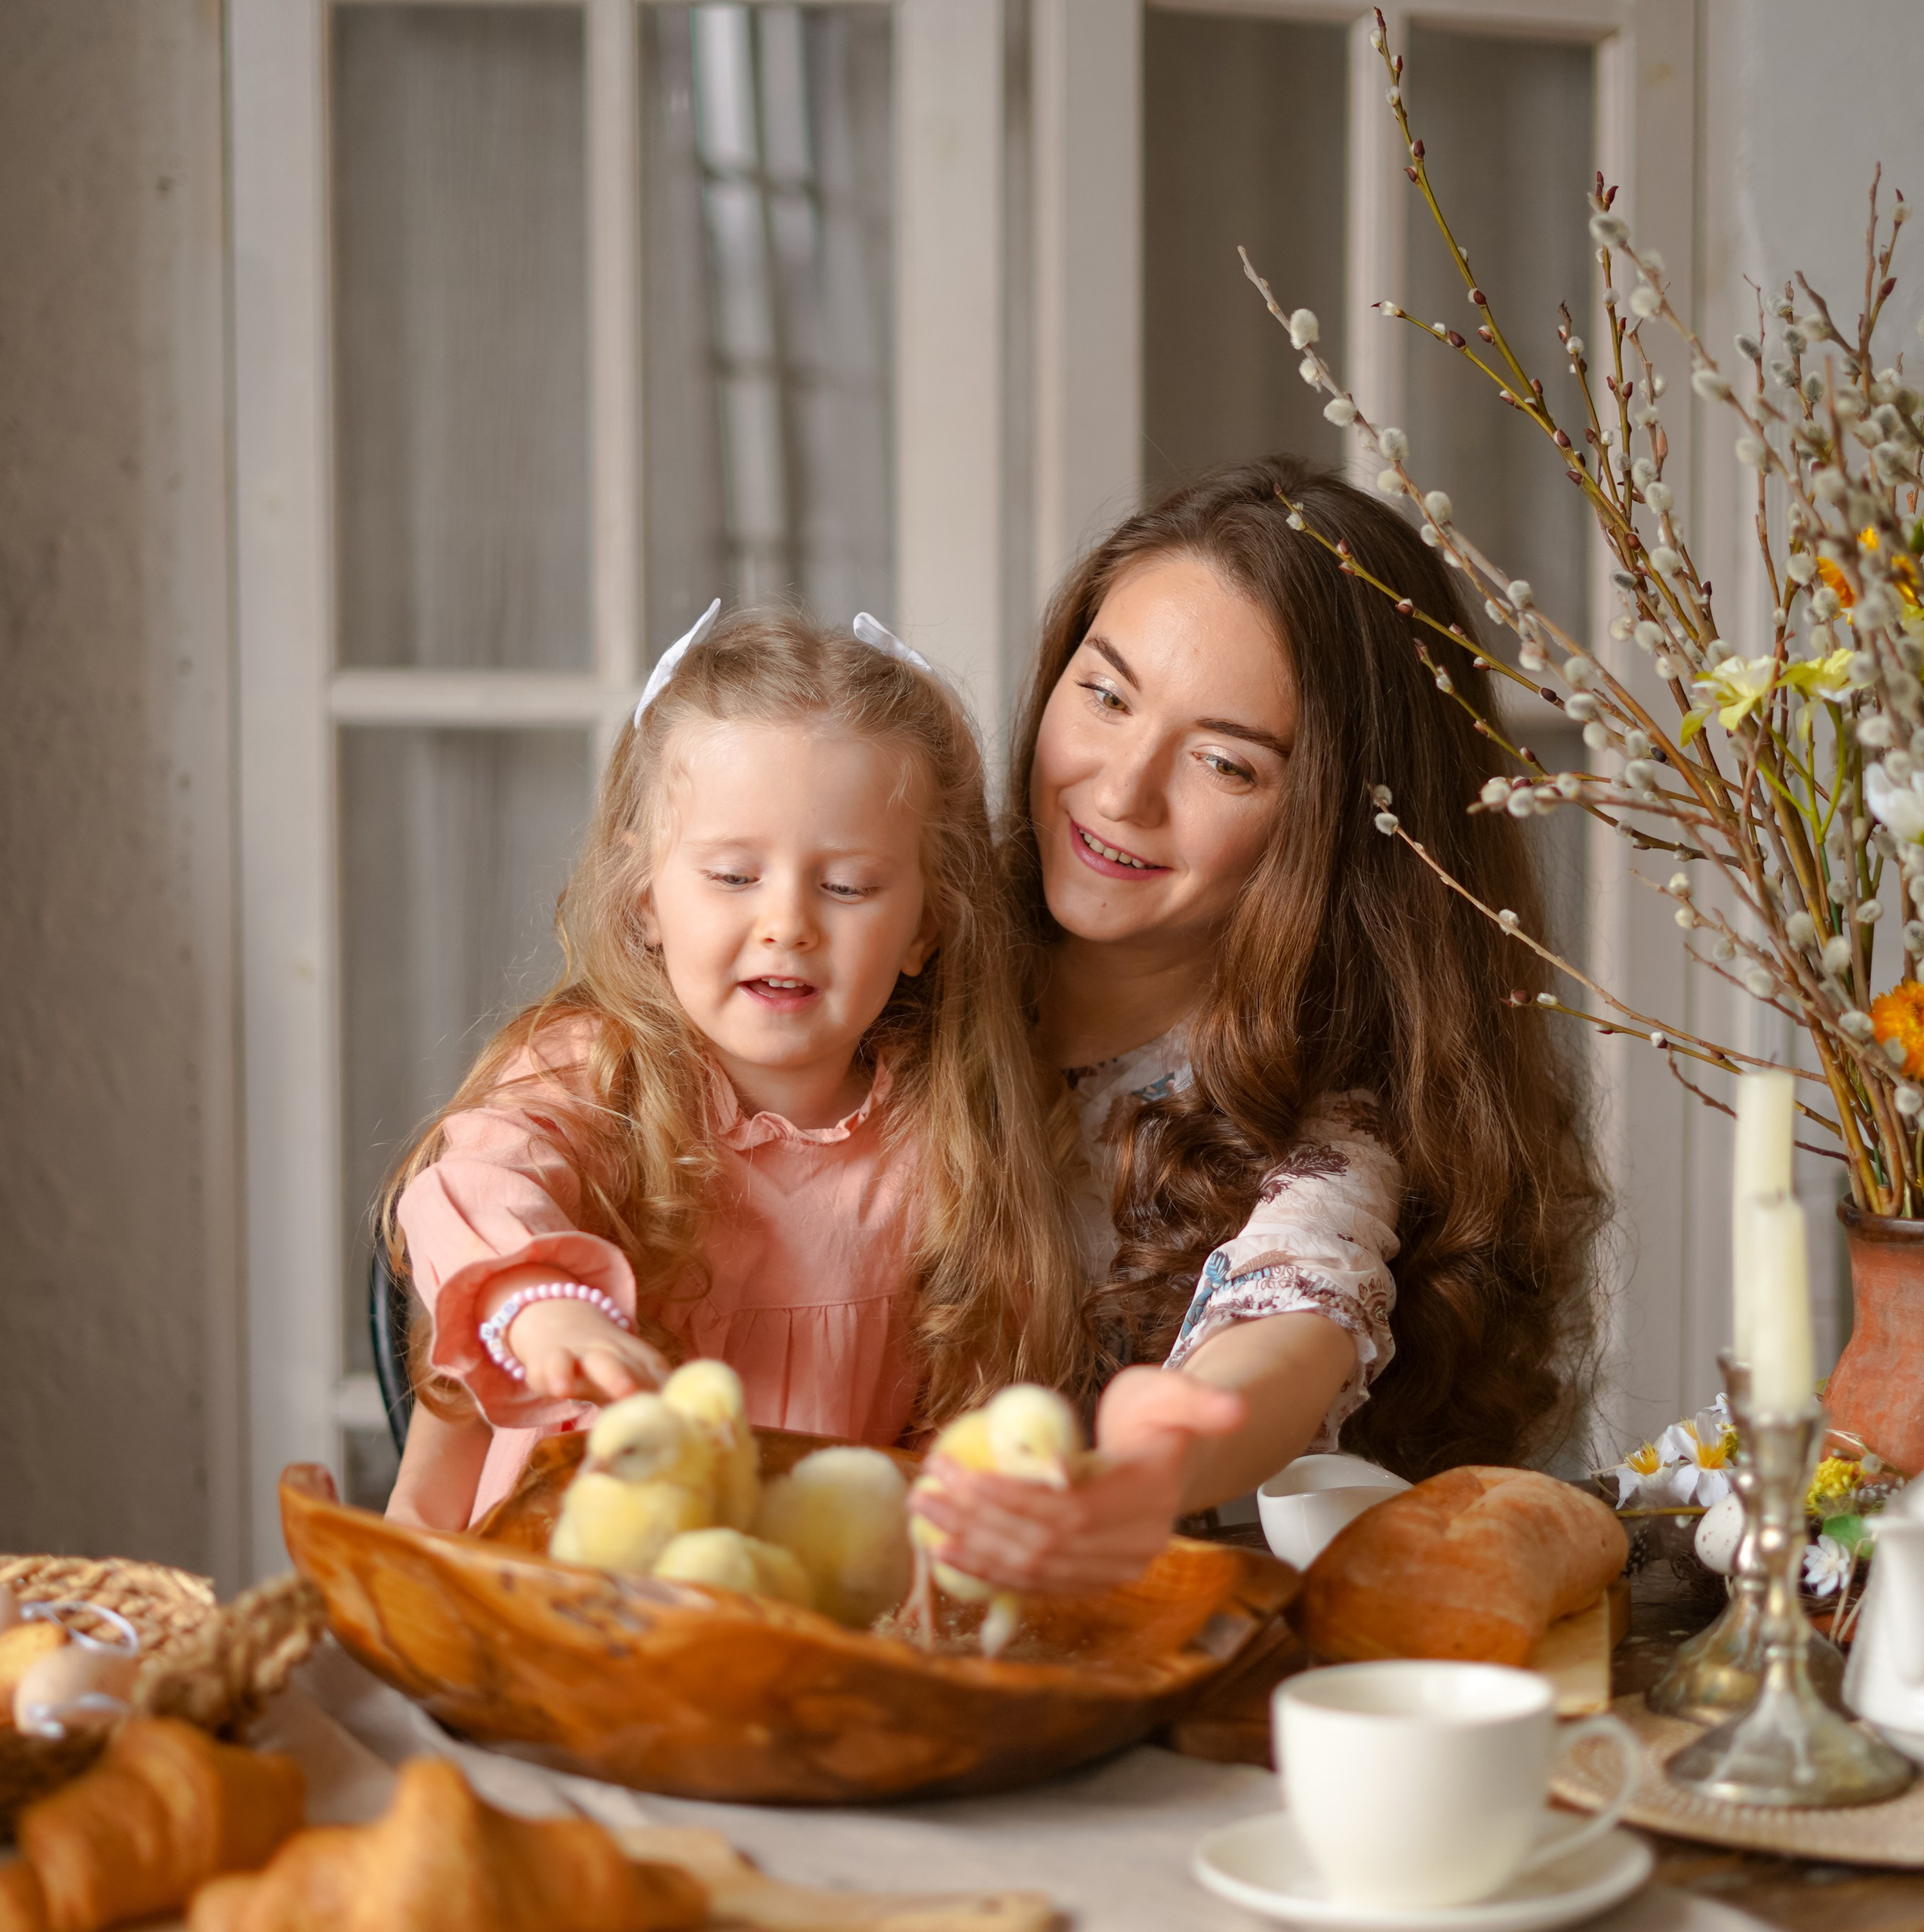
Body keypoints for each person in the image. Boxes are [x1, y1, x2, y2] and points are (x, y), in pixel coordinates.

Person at [911, 454, 1605, 1594]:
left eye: (1225, 762)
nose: (1121, 789)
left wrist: (1167, 1444)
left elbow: (1295, 1319)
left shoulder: (1320, 1123)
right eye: (1105, 694)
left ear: (1338, 828)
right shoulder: (893, 949)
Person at [382, 605, 1088, 1531]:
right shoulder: (590, 1079)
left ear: (924, 924)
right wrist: (542, 1308)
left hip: (811, 1621)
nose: (787, 922)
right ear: (644, 899)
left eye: (846, 886)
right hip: (570, 1610)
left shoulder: (950, 1136)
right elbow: (474, 1180)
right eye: (731, 875)